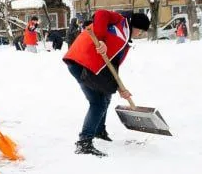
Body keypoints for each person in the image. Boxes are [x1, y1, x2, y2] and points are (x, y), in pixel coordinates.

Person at [62, 9, 151, 157]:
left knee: (106, 94)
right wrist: (101, 39)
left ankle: (98, 131)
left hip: (91, 66)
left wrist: (118, 88)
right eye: (140, 31)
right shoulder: (120, 21)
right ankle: (84, 142)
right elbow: (101, 14)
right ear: (136, 26)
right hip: (81, 61)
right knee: (97, 103)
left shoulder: (124, 41)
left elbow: (111, 67)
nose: (139, 35)